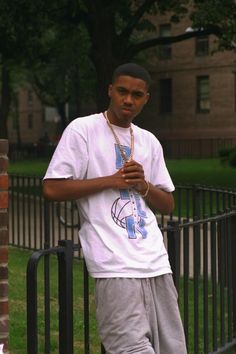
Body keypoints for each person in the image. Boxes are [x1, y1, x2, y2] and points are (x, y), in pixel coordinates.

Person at [43, 63, 187, 354]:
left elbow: (168, 202)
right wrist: (111, 180)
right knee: (129, 348)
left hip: (156, 262)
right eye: (122, 91)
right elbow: (52, 188)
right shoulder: (83, 130)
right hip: (114, 265)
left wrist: (142, 186)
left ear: (146, 98)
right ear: (110, 90)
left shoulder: (148, 141)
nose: (128, 100)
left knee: (173, 349)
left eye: (137, 94)